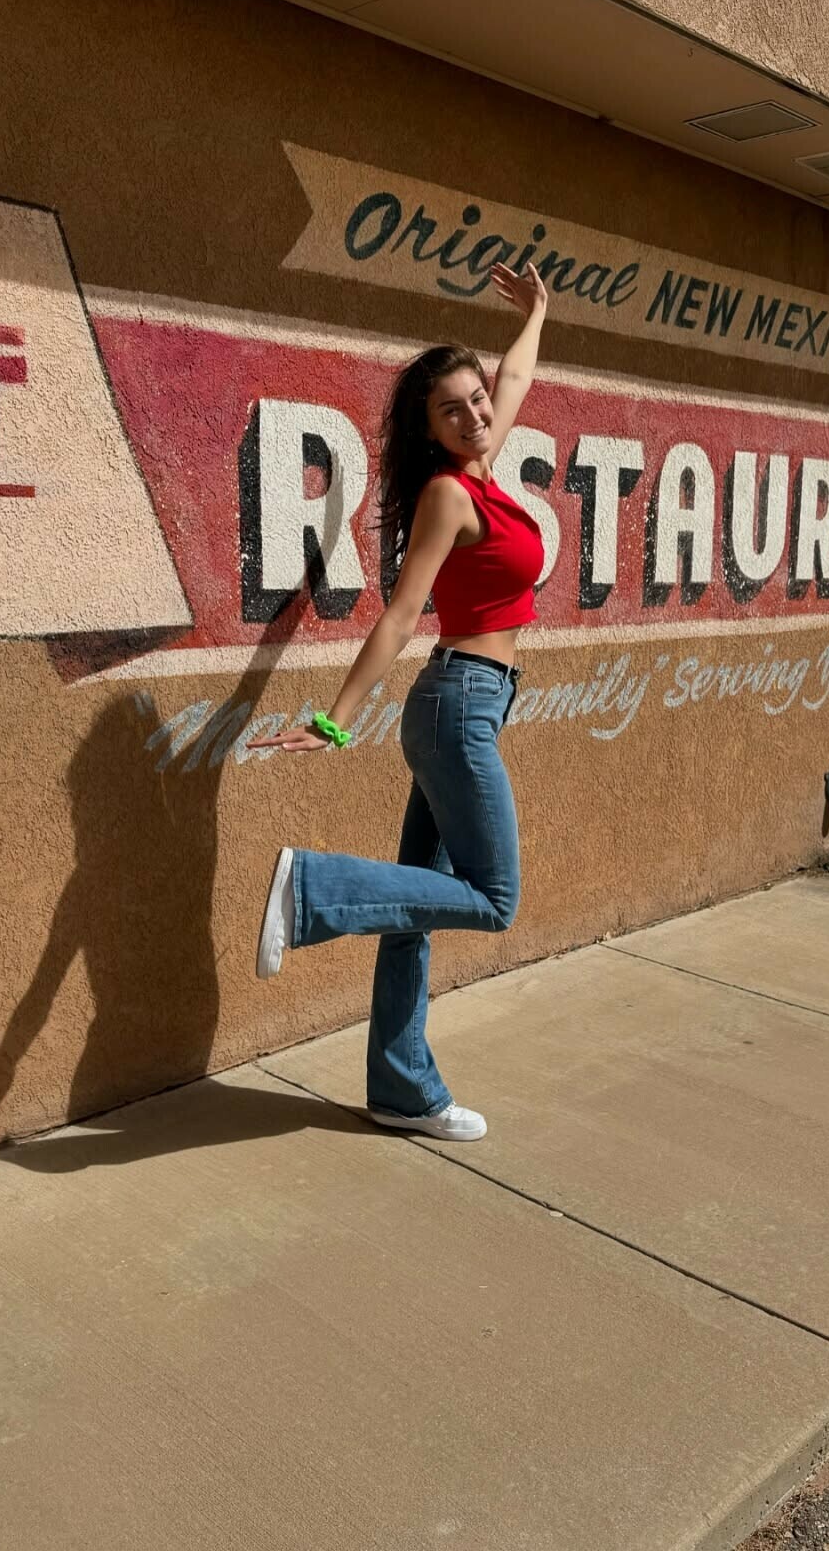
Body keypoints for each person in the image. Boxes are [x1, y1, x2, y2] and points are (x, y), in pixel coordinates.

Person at [246, 259, 550, 1142]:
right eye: (451, 409)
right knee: (493, 896)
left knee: (417, 909)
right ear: (428, 427)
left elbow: (515, 377)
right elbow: (402, 614)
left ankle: (400, 1088)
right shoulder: (450, 494)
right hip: (457, 707)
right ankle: (312, 889)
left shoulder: (485, 464)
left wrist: (537, 313)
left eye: (476, 400)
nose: (475, 414)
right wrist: (336, 719)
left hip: (468, 704)